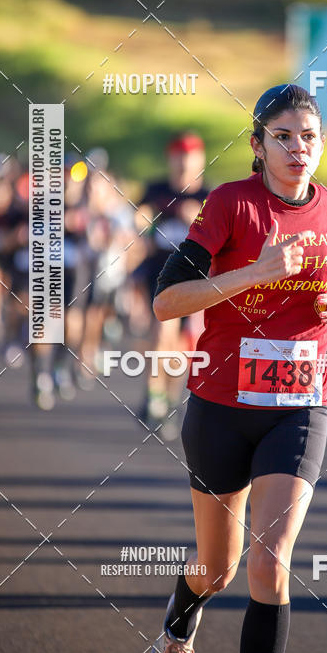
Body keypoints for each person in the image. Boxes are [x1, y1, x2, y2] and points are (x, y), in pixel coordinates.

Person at [148, 85, 327, 653]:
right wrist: (254, 271)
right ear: (258, 145)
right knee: (219, 569)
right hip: (219, 405)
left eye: (309, 137)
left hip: (297, 405)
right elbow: (166, 302)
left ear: (322, 144)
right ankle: (180, 621)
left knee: (271, 563)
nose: (298, 148)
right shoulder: (230, 205)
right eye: (283, 136)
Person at [134, 133, 209, 434]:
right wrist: (142, 221)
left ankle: (169, 400)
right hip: (159, 274)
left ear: (200, 162)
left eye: (190, 160)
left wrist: (199, 220)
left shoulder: (210, 195)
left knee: (183, 346)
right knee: (160, 331)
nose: (183, 166)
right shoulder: (155, 191)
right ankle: (154, 394)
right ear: (170, 160)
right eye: (178, 159)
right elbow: (137, 220)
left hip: (196, 278)